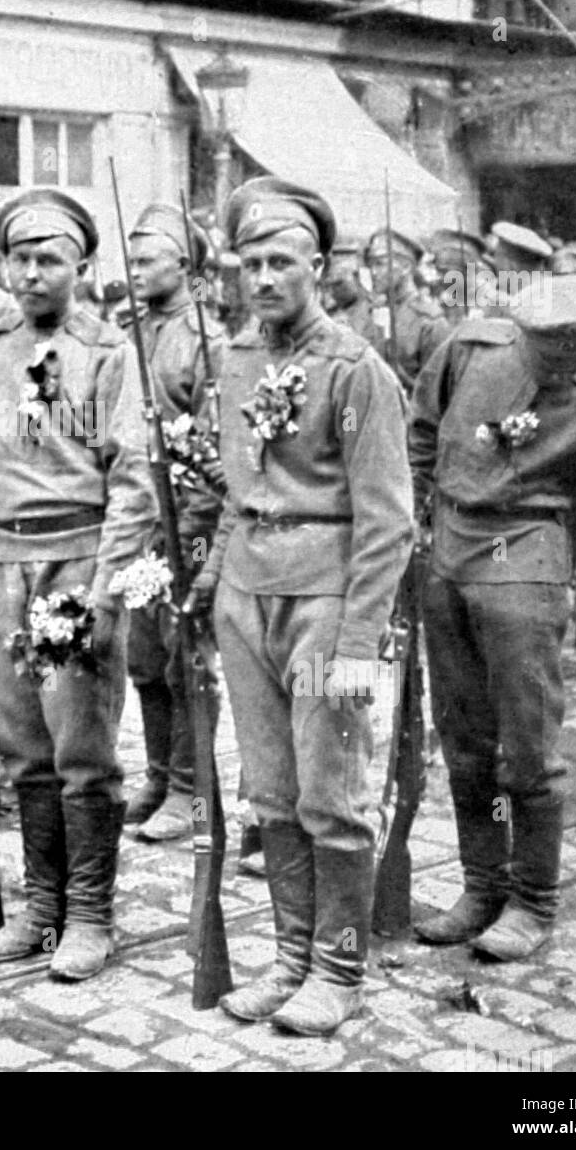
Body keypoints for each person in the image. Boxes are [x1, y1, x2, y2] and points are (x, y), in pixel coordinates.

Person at [186, 176, 413, 1034]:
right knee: (272, 792)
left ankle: (337, 967)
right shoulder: (237, 358)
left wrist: (358, 641)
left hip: (324, 595)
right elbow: (238, 486)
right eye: (251, 263)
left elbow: (388, 521)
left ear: (318, 266)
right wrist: (215, 585)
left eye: (282, 261)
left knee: (332, 792)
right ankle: (288, 957)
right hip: (248, 595)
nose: (265, 278)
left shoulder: (355, 372)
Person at [410, 276, 576, 959]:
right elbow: (421, 433)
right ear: (521, 330)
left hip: (527, 557)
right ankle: (481, 886)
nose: (563, 357)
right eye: (549, 343)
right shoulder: (467, 350)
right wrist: (419, 517)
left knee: (527, 746)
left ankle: (532, 902)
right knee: (463, 739)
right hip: (449, 552)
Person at [0, 187, 156, 981]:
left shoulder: (109, 353)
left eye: (50, 259)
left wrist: (107, 590)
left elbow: (134, 480)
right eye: (19, 259)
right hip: (6, 563)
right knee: (23, 752)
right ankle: (40, 910)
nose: (32, 274)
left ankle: (89, 915)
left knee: (81, 750)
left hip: (75, 561)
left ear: (82, 265)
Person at [117, 203, 225, 843]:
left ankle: (191, 788)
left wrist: (194, 531)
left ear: (184, 266)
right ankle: (159, 776)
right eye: (130, 261)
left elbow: (214, 453)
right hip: (138, 516)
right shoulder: (130, 331)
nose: (134, 272)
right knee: (145, 657)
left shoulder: (205, 339)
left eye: (147, 261)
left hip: (188, 518)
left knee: (187, 656)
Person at [364, 227, 450, 391]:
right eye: (371, 265)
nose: (373, 273)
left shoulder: (429, 321)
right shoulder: (372, 314)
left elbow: (437, 391)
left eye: (380, 264)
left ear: (405, 267)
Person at [321, 232, 377, 343]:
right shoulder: (329, 313)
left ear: (356, 276)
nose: (332, 293)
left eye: (338, 284)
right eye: (327, 287)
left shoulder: (376, 311)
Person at [427, 229, 491, 324]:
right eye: (441, 270)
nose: (441, 277)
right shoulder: (436, 292)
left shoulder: (485, 296)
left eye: (445, 271)